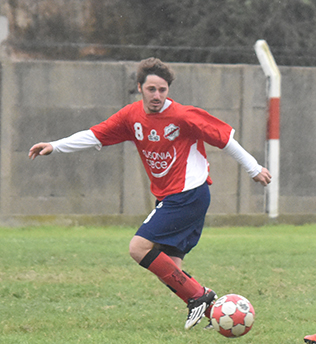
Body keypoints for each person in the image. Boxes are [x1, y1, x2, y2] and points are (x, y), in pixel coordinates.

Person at [29, 57, 271, 330]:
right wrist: (55, 145)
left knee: (139, 248)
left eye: (162, 90)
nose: (157, 95)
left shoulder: (182, 116)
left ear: (168, 90)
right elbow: (96, 135)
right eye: (151, 89)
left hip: (188, 194)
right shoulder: (132, 116)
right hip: (171, 196)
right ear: (139, 87)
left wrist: (253, 168)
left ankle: (202, 296)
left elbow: (225, 139)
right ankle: (215, 313)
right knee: (170, 269)